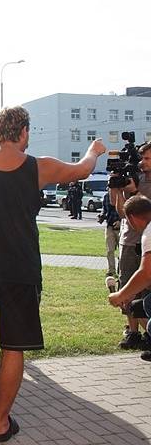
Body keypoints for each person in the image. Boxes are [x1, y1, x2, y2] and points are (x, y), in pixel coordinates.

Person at [0, 106, 106, 442]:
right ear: (24, 132)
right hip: (21, 270)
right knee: (14, 348)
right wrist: (94, 150)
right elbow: (83, 171)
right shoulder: (39, 167)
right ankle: (0, 423)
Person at [109, 141, 151, 349]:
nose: (143, 163)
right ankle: (132, 331)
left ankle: (148, 333)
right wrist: (117, 188)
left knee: (145, 291)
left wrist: (135, 192)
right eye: (142, 158)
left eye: (148, 159)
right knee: (127, 285)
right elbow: (123, 211)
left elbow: (143, 211)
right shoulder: (134, 178)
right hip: (128, 240)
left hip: (147, 242)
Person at [108, 194, 151, 362]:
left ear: (132, 218)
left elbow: (146, 273)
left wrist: (121, 295)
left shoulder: (149, 233)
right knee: (144, 304)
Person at [98, 191, 120, 278]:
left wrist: (120, 220)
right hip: (110, 226)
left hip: (121, 227)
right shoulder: (106, 196)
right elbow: (104, 209)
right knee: (110, 250)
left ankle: (121, 269)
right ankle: (111, 270)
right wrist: (101, 216)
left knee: (122, 251)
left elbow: (127, 210)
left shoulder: (122, 195)